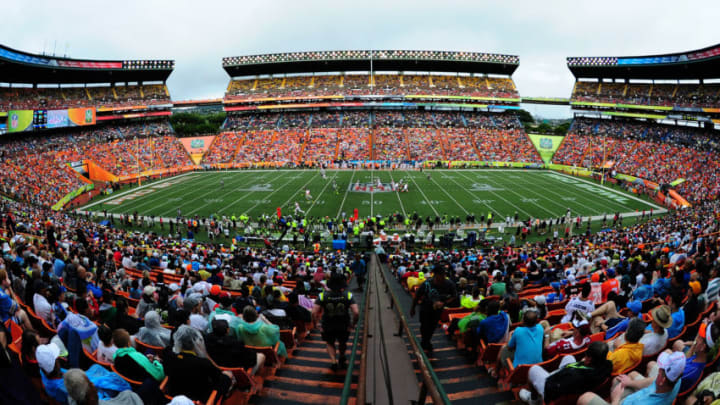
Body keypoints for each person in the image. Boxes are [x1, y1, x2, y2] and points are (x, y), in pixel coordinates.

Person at [577, 351, 686, 405]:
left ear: (662, 380)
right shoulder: (676, 379)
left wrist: (615, 399)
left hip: (626, 402)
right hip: (640, 396)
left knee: (585, 397)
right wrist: (630, 383)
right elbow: (652, 381)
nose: (658, 370)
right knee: (621, 379)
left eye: (660, 370)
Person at [519, 341, 613, 404]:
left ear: (589, 359)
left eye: (587, 354)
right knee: (569, 357)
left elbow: (550, 388)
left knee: (533, 369)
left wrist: (554, 376)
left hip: (553, 389)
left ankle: (533, 399)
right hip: (576, 380)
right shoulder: (607, 366)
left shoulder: (573, 376)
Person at [164, 325, 233, 402]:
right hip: (199, 398)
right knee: (227, 376)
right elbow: (217, 379)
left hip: (175, 393)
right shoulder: (203, 363)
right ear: (195, 342)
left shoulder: (168, 354)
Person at [312, 273, 359, 371]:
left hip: (328, 324)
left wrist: (316, 323)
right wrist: (353, 324)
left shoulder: (322, 296)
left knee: (330, 343)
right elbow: (356, 312)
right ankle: (342, 356)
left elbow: (314, 312)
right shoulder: (348, 295)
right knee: (342, 342)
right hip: (344, 324)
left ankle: (333, 361)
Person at [410, 267, 457, 354]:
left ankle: (426, 341)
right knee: (424, 326)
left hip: (437, 310)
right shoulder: (427, 283)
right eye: (441, 275)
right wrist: (412, 308)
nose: (443, 277)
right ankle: (425, 341)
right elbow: (417, 295)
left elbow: (454, 296)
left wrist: (444, 303)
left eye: (444, 275)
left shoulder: (449, 284)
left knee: (432, 327)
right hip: (425, 308)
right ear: (435, 275)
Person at [63, 368, 143, 405]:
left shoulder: (73, 397)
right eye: (90, 384)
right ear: (91, 397)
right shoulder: (131, 398)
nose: (93, 384)